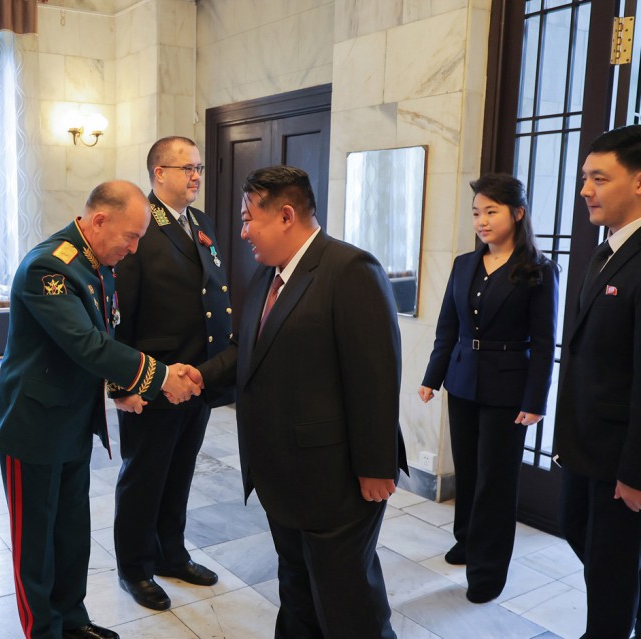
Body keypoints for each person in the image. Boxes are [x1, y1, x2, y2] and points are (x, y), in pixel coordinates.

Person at [198, 165, 407, 639]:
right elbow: (245, 352)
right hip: (282, 475)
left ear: (286, 215)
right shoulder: (267, 275)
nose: (243, 231)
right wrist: (196, 377)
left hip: (335, 479)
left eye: (249, 219)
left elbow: (376, 376)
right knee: (297, 590)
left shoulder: (350, 270)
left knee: (348, 603)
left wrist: (377, 465)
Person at [0, 180, 203, 639]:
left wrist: (120, 388)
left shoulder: (95, 262)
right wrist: (161, 376)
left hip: (71, 420)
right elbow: (86, 344)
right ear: (100, 220)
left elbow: (103, 336)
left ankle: (73, 622)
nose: (134, 248)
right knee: (36, 545)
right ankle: (44, 632)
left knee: (71, 533)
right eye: (131, 236)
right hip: (33, 426)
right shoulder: (49, 267)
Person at [418, 173, 558, 604]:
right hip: (462, 380)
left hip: (509, 390)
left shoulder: (538, 269)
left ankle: (488, 571)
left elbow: (545, 342)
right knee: (469, 470)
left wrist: (536, 400)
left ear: (517, 213)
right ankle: (466, 540)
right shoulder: (464, 264)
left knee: (496, 481)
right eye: (477, 212)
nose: (481, 221)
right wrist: (432, 377)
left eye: (491, 211)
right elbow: (448, 326)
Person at [108, 136, 233, 611]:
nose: (196, 176)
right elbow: (121, 313)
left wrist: (211, 372)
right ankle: (135, 568)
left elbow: (210, 295)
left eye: (198, 167)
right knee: (144, 477)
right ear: (159, 173)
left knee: (179, 472)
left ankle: (170, 553)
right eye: (187, 168)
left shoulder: (200, 222)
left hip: (197, 378)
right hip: (153, 379)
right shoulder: (142, 224)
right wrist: (123, 385)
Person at [555, 124, 641, 639]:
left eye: (600, 178)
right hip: (586, 443)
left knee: (610, 569)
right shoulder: (605, 250)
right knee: (576, 529)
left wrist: (635, 471)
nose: (586, 190)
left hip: (621, 455)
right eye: (585, 177)